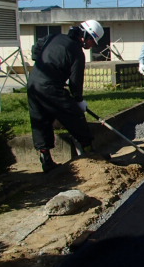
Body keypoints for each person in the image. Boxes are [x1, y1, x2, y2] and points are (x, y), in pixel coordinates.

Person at [27, 20, 104, 173]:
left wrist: (47, 64)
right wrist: (79, 100)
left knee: (41, 121)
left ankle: (46, 161)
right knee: (75, 116)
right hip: (50, 88)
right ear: (84, 36)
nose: (92, 45)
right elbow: (76, 82)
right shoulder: (76, 52)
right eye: (92, 41)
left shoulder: (53, 37)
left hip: (33, 84)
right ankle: (90, 153)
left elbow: (36, 50)